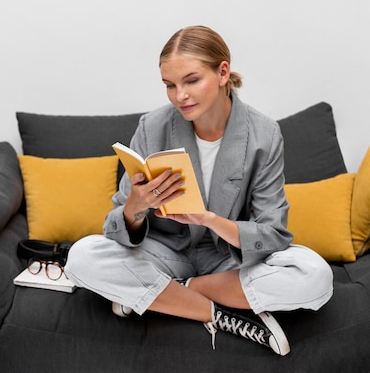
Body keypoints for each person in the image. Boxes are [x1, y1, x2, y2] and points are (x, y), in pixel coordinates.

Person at [66, 25, 333, 355]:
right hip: (163, 253)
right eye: (170, 85)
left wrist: (209, 219)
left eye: (191, 80)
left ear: (222, 72)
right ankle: (218, 314)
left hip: (227, 262)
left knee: (315, 275)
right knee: (81, 257)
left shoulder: (264, 134)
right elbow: (115, 231)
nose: (180, 96)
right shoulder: (152, 127)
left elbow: (273, 233)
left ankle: (172, 293)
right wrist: (135, 205)